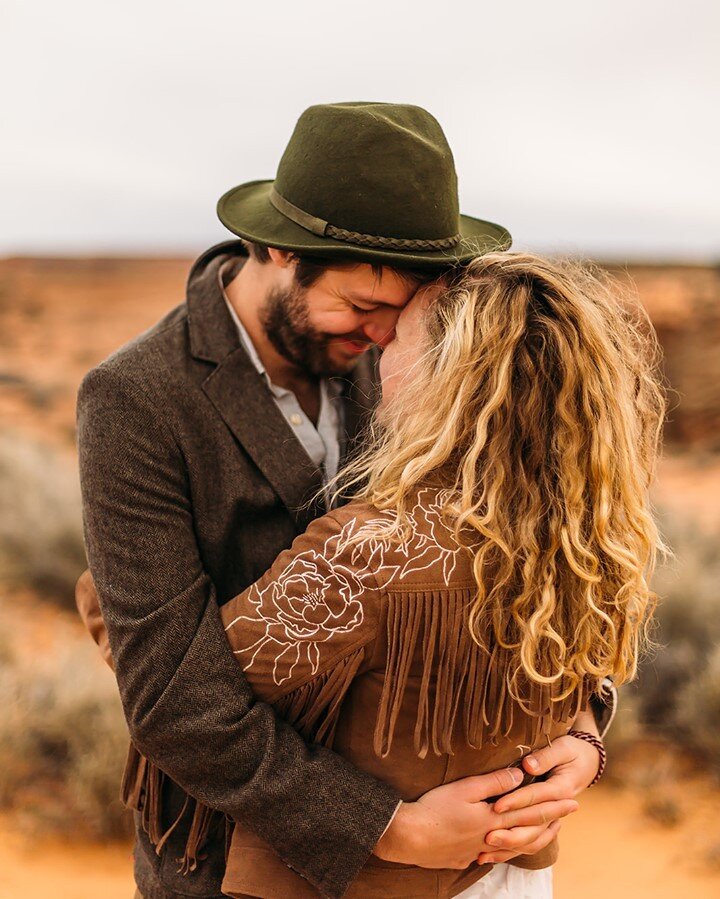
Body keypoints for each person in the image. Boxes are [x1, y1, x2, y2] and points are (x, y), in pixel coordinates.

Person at [75, 102, 616, 899]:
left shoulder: (418, 363)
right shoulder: (136, 398)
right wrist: (387, 826)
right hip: (232, 859)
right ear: (275, 249)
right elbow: (170, 696)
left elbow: (536, 547)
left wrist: (584, 730)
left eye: (401, 317)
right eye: (363, 308)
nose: (381, 337)